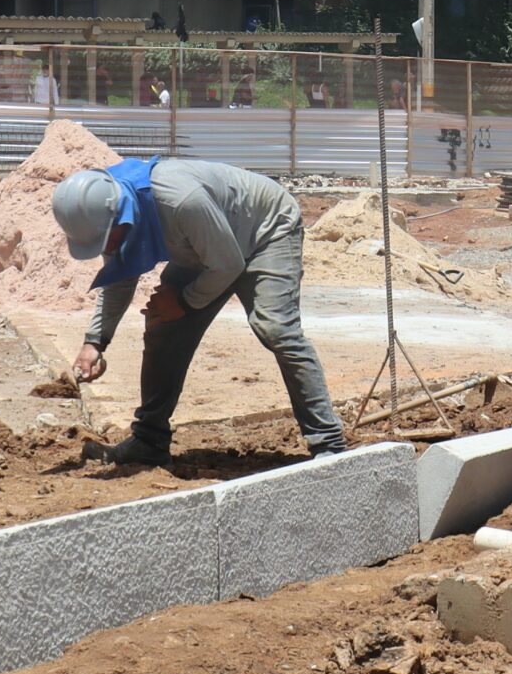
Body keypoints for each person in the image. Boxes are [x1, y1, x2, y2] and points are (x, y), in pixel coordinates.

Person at [52, 159, 344, 465]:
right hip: (207, 242)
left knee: (276, 328)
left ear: (119, 214)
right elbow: (120, 275)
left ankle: (329, 446)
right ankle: (148, 441)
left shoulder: (179, 201)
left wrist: (183, 302)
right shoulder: (105, 210)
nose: (106, 246)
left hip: (265, 231)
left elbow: (228, 265)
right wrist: (95, 341)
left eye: (106, 240)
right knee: (163, 324)